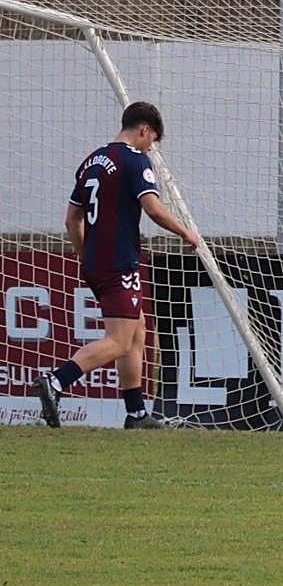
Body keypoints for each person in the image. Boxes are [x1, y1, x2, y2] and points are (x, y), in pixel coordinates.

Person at [34, 102, 201, 429]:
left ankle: (136, 413)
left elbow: (71, 220)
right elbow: (152, 208)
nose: (150, 147)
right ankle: (55, 381)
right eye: (152, 140)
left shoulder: (91, 162)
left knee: (137, 329)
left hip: (96, 261)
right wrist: (186, 232)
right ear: (144, 130)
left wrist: (86, 255)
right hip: (120, 261)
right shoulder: (135, 160)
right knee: (120, 340)